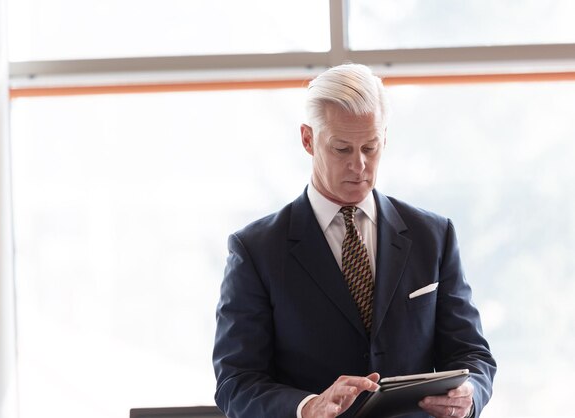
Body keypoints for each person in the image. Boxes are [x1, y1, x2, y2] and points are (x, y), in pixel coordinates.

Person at [212, 63, 496, 418]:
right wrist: (307, 408)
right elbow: (235, 383)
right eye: (342, 149)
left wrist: (469, 396)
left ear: (385, 139)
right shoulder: (256, 250)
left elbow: (472, 354)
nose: (359, 165)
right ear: (307, 139)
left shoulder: (433, 236)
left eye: (371, 147)